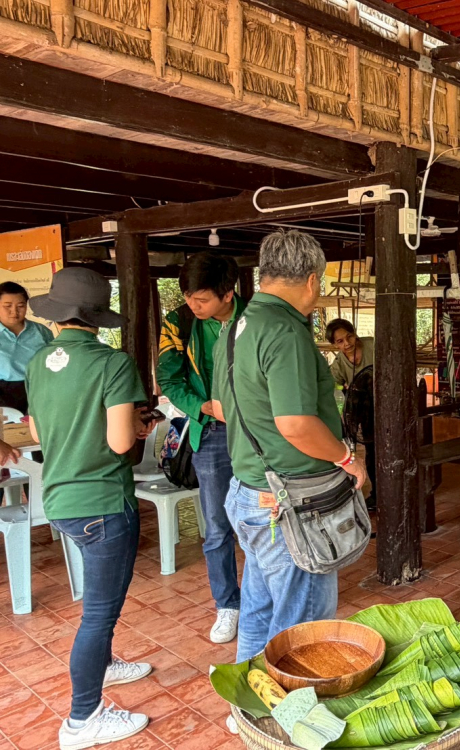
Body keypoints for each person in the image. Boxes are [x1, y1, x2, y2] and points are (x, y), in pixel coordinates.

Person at [211, 230, 366, 664]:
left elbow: (223, 407)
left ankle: (249, 702)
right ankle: (286, 719)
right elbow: (296, 424)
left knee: (260, 609)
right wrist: (347, 459)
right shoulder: (284, 331)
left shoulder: (235, 328)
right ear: (313, 280)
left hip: (248, 494)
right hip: (288, 503)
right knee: (303, 624)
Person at [25, 268, 162, 749]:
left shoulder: (39, 362)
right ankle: (83, 719)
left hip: (61, 500)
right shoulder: (112, 363)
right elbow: (120, 440)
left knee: (97, 610)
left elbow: (40, 434)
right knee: (98, 615)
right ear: (97, 318)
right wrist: (136, 422)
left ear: (57, 314)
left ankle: (105, 664)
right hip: (104, 503)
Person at [157, 253, 246, 644]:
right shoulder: (179, 323)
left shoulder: (255, 318)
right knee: (216, 527)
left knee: (268, 515)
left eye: (202, 299)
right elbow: (169, 379)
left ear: (229, 294)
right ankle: (228, 604)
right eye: (189, 297)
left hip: (255, 432)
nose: (193, 306)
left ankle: (269, 593)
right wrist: (204, 407)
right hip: (210, 432)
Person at [325, 318, 376, 512]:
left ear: (355, 333)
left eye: (349, 337)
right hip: (363, 411)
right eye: (340, 341)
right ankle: (377, 494)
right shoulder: (338, 364)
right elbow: (331, 387)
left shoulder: (372, 345)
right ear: (334, 345)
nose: (347, 343)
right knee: (371, 451)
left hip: (386, 403)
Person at [0, 281, 53, 414]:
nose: (14, 311)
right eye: (7, 306)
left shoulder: (41, 332)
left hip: (37, 389)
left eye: (21, 306)